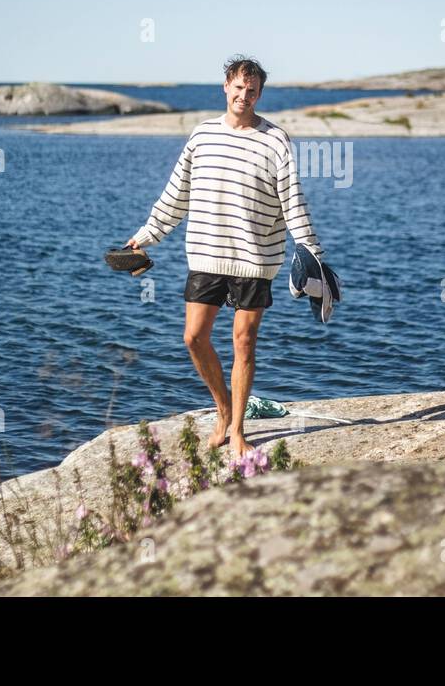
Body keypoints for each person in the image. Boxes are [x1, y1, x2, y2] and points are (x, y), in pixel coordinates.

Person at [125, 55, 322, 458]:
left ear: (259, 94)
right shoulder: (202, 136)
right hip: (206, 254)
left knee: (244, 342)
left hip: (255, 258)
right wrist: (146, 236)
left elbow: (293, 202)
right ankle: (223, 408)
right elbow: (175, 197)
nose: (244, 95)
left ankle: (236, 431)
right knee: (194, 337)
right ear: (226, 87)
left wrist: (312, 254)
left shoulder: (275, 140)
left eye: (252, 90)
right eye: (238, 87)